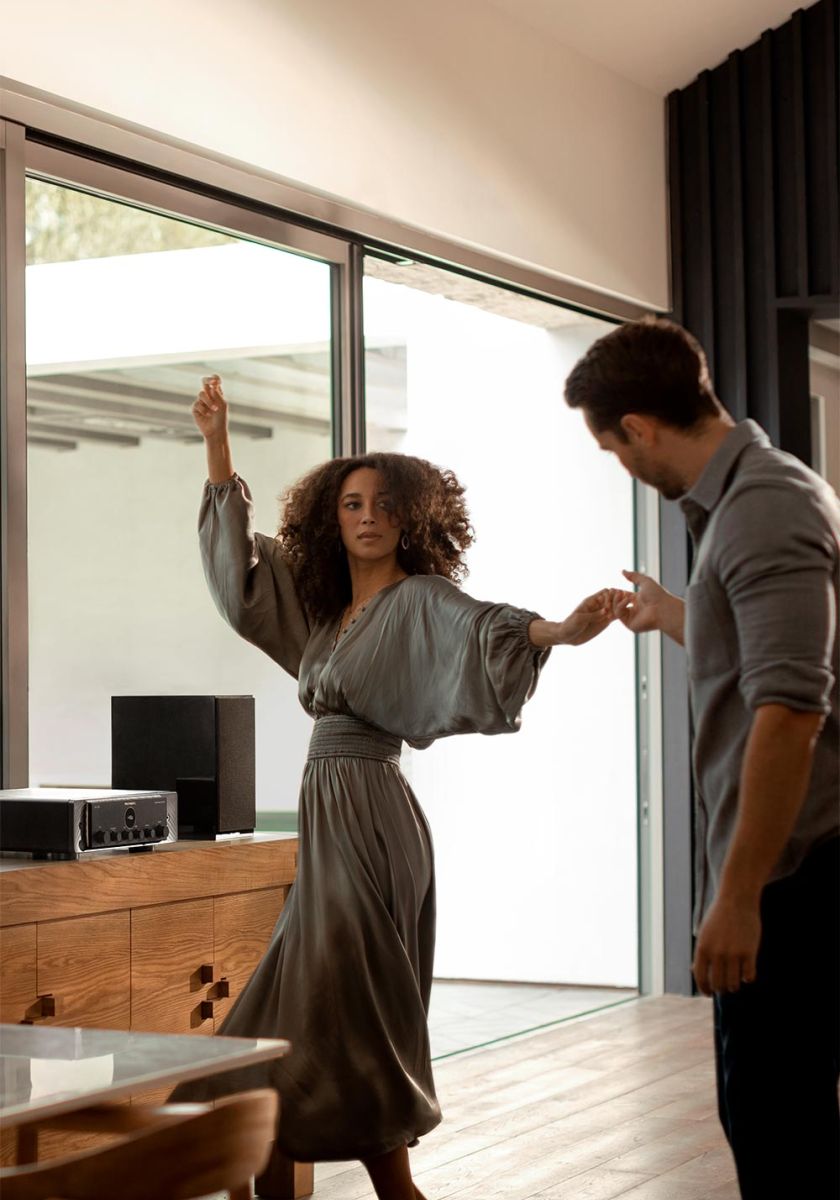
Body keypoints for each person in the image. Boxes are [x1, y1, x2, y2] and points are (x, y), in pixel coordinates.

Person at [181, 374, 618, 1200]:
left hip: (373, 820)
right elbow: (240, 582)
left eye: (383, 503)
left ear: (408, 517)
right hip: (331, 816)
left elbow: (484, 626)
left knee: (344, 1010)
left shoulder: (421, 600)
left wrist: (560, 629)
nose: (369, 515)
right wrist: (216, 444)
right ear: (330, 518)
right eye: (351, 503)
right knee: (269, 1037)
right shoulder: (322, 613)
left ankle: (395, 1175)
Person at [565, 316, 840, 1200]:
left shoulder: (764, 506)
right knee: (769, 1120)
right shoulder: (750, 504)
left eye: (612, 447)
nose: (621, 465)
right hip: (789, 875)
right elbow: (766, 656)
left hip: (796, 881)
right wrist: (677, 614)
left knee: (776, 1129)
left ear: (639, 429)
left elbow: (792, 710)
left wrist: (738, 894)